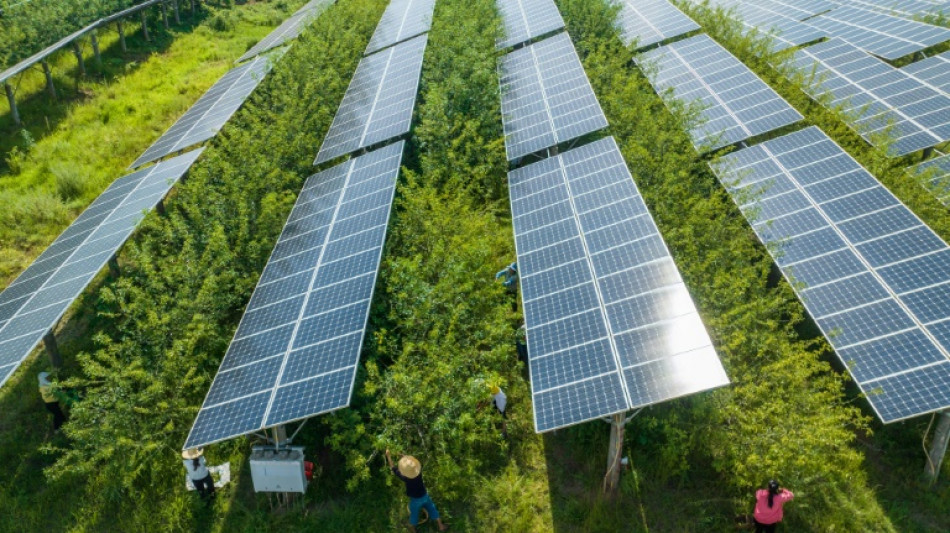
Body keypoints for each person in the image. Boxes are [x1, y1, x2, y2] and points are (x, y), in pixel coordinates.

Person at [385, 449, 448, 532]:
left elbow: (393, 467)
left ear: (405, 472)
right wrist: (402, 456)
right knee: (432, 509)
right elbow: (410, 463)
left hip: (415, 500)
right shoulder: (418, 472)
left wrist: (388, 456)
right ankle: (441, 526)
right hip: (424, 496)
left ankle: (413, 530)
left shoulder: (405, 477)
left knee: (414, 515)